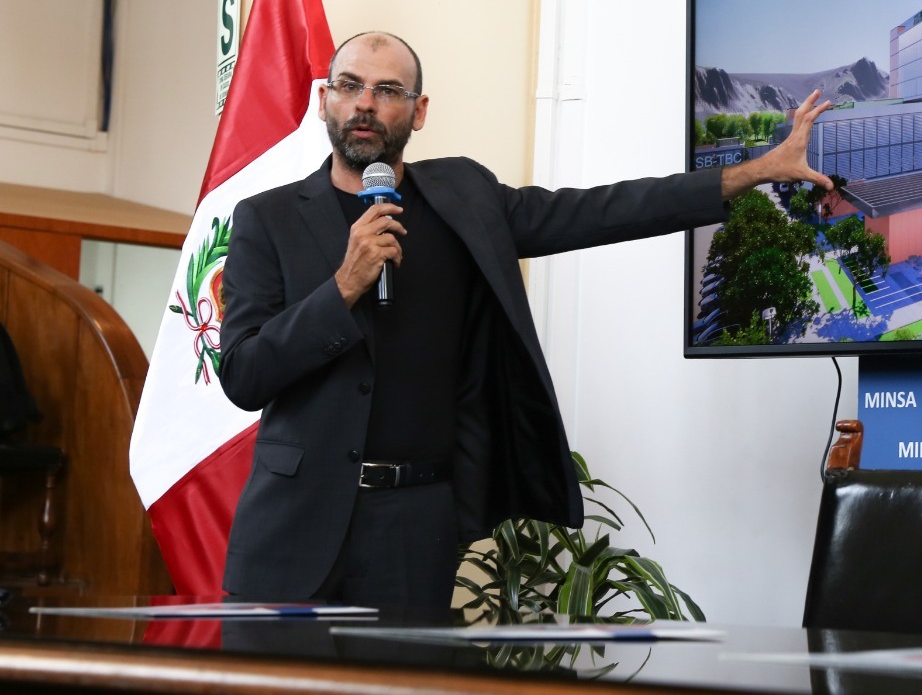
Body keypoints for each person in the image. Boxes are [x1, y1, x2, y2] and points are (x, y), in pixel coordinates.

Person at [217, 31, 833, 609]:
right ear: (325, 99)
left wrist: (755, 171)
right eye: (350, 86)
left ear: (419, 110)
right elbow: (245, 375)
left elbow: (604, 211)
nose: (365, 105)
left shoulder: (464, 197)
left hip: (414, 528)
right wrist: (344, 286)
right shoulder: (266, 219)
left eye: (387, 92)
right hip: (291, 530)